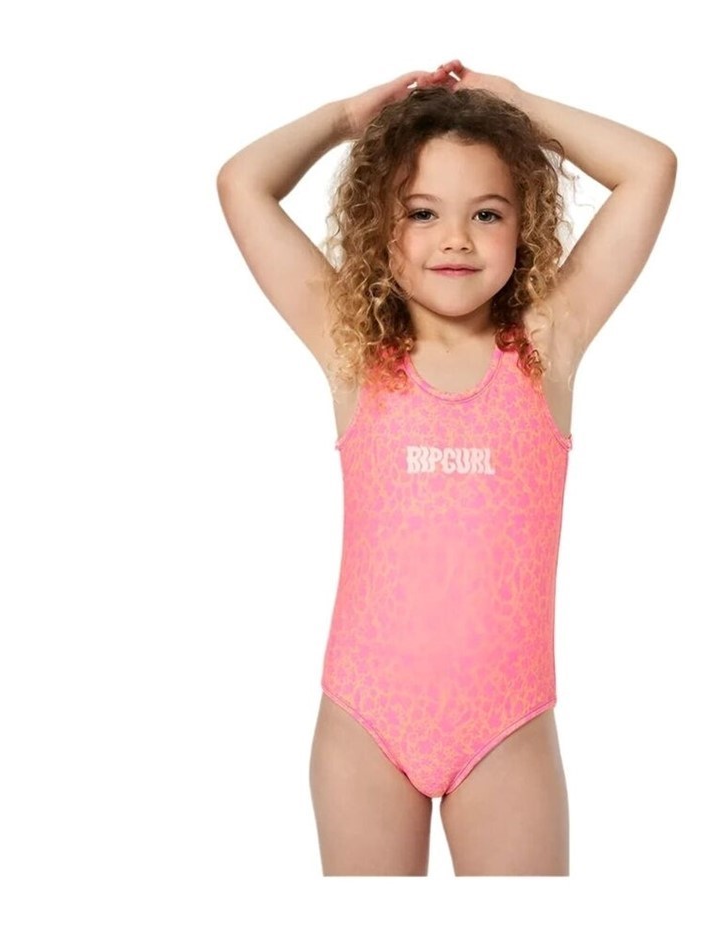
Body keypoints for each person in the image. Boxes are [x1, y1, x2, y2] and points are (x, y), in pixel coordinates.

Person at [216, 60, 676, 876]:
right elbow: (243, 183)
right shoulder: (355, 349)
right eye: (421, 212)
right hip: (364, 725)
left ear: (524, 227)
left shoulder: (547, 344)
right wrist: (346, 119)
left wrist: (522, 108)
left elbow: (650, 168)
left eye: (487, 213)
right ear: (378, 227)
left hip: (507, 728)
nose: (455, 238)